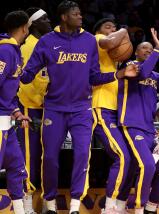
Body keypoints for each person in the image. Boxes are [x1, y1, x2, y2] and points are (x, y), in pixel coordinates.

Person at [20, 1, 138, 214]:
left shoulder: (89, 41)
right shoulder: (47, 41)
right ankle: (50, 204)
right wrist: (14, 68)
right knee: (50, 157)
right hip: (54, 108)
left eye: (81, 14)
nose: (81, 17)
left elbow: (94, 76)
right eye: (76, 14)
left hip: (82, 109)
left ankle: (75, 204)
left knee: (83, 154)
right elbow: (27, 75)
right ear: (64, 17)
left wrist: (118, 74)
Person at [117, 28, 159, 214]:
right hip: (131, 125)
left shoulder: (154, 76)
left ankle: (151, 206)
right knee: (147, 165)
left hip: (149, 129)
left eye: (151, 50)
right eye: (145, 48)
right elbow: (142, 74)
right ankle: (138, 208)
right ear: (135, 51)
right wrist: (158, 49)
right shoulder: (130, 67)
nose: (148, 51)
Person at [92, 18, 132, 213]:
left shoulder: (113, 56)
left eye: (114, 27)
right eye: (107, 27)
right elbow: (110, 40)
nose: (112, 30)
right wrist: (123, 30)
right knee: (122, 156)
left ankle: (119, 204)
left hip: (115, 110)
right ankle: (109, 207)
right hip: (100, 107)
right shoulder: (97, 39)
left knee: (129, 157)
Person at [15, 7, 51, 213]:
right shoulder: (26, 45)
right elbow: (26, 79)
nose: (49, 21)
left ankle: (48, 202)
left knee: (47, 156)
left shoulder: (47, 43)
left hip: (48, 107)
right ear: (33, 24)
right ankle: (27, 205)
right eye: (44, 19)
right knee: (28, 156)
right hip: (28, 107)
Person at [0, 10, 30, 214]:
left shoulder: (15, 50)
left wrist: (16, 111)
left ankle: (19, 211)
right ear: (24, 28)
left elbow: (8, 91)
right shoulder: (5, 51)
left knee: (17, 166)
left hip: (7, 120)